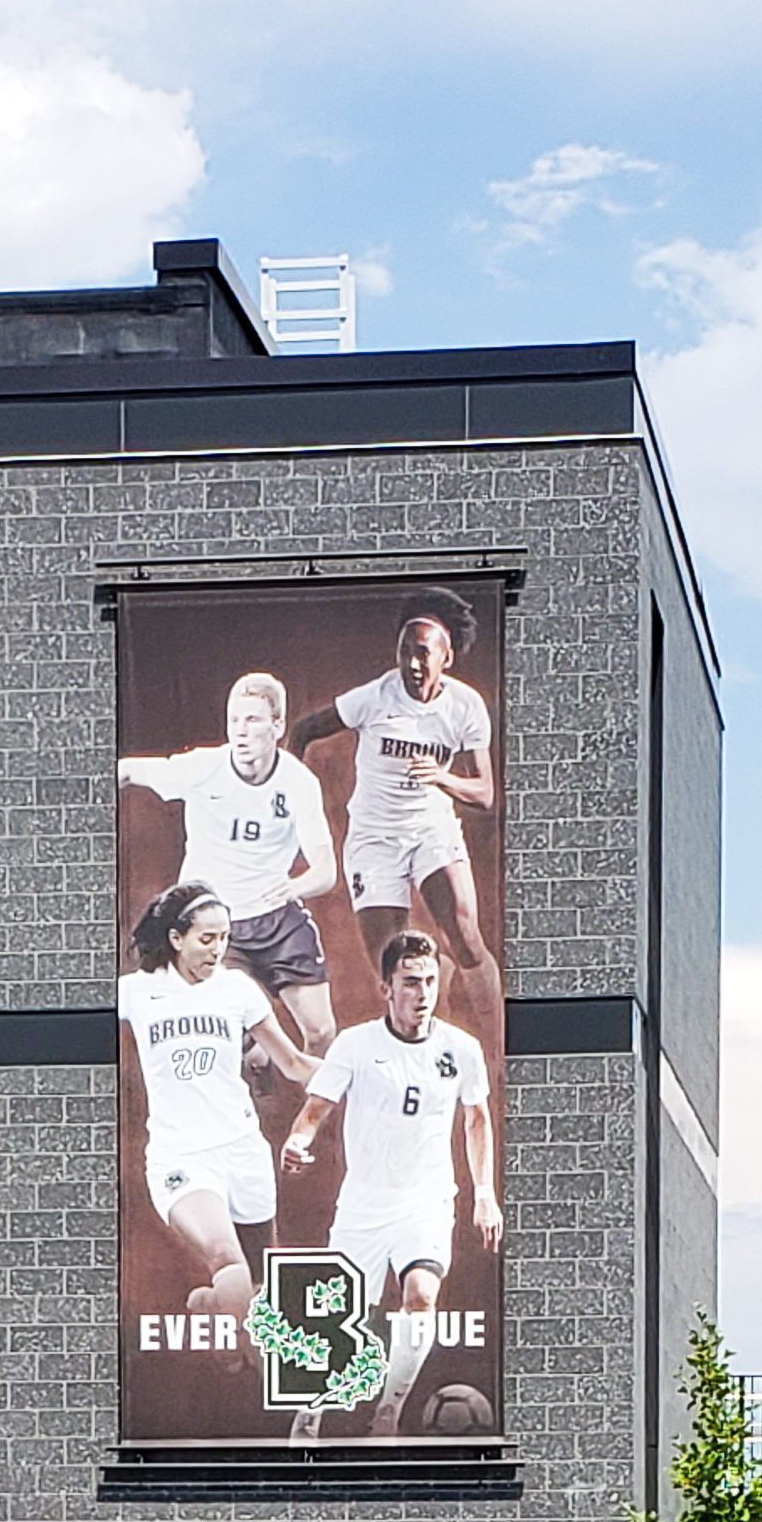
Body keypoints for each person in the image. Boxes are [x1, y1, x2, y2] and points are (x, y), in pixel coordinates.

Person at [279, 929, 500, 1437]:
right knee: (340, 1316)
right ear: (387, 988)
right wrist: (298, 1141)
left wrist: (483, 1194)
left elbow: (477, 1120)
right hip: (364, 1205)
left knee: (421, 1295)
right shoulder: (356, 1045)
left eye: (429, 981)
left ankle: (388, 1412)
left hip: (425, 1201)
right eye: (410, 982)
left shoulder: (459, 1049)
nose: (422, 994)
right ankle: (309, 1414)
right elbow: (315, 1111)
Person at [288, 588, 501, 1064]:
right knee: (393, 964)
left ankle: (497, 1055)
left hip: (431, 831)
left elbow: (486, 794)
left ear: (445, 658)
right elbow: (303, 730)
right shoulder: (375, 698)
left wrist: (442, 778)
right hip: (375, 839)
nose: (412, 663)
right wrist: (284, 798)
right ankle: (425, 1043)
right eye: (405, 651)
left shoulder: (465, 707)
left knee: (466, 935)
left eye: (423, 653)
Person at [119, 880, 318, 1333]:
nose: (217, 949)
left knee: (260, 1286)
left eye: (224, 938)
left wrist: (356, 1072)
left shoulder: (237, 990)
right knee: (226, 1260)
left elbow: (292, 1063)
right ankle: (245, 1348)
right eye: (206, 939)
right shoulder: (137, 991)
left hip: (243, 1150)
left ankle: (215, 1307)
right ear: (176, 938)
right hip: (181, 1155)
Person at [119, 673, 338, 1052]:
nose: (240, 731)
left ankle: (310, 1105)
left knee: (321, 1032)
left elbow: (326, 870)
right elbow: (126, 770)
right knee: (230, 1030)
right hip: (218, 925)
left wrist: (296, 886)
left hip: (276, 918)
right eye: (234, 720)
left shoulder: (298, 783)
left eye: (252, 720)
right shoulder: (202, 768)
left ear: (277, 725)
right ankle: (254, 1052)